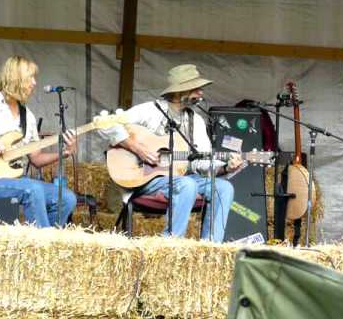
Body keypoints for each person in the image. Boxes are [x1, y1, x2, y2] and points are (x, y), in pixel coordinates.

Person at [102, 64, 243, 242]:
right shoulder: (150, 110)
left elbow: (200, 162)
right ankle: (171, 244)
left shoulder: (196, 121)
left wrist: (226, 168)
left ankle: (210, 247)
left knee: (224, 188)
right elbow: (106, 124)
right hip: (147, 178)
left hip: (182, 177)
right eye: (196, 89)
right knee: (186, 185)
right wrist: (138, 149)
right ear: (179, 91)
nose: (201, 93)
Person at [0, 56, 77, 227]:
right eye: (30, 77)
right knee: (31, 189)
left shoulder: (27, 116)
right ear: (15, 78)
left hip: (15, 178)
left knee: (66, 198)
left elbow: (36, 159)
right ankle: (44, 246)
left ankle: (49, 244)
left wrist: (64, 153)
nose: (35, 83)